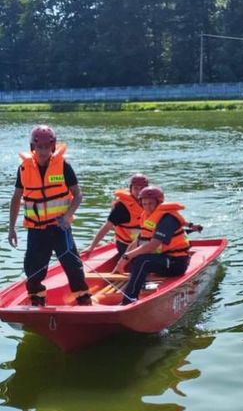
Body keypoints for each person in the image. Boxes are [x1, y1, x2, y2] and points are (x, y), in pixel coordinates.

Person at [8, 124, 91, 306]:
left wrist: (68, 216)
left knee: (72, 266)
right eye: (40, 147)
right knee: (33, 271)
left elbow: (78, 195)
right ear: (33, 147)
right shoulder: (23, 169)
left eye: (47, 147)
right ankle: (38, 302)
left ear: (53, 147)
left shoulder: (63, 167)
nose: (43, 151)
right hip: (37, 230)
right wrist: (11, 228)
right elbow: (16, 198)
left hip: (60, 227)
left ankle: (84, 301)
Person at [115, 185, 202, 304]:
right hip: (163, 258)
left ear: (159, 202)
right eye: (144, 204)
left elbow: (153, 245)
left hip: (176, 263)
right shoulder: (147, 217)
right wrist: (122, 260)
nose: (147, 207)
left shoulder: (168, 218)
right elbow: (138, 241)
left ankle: (129, 300)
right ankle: (141, 284)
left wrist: (127, 256)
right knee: (136, 256)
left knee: (143, 260)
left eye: (151, 203)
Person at [86, 173, 149, 256]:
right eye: (135, 188)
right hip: (126, 245)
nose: (138, 192)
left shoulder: (152, 202)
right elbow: (107, 226)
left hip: (146, 242)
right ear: (131, 189)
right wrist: (92, 246)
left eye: (142, 188)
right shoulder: (121, 207)